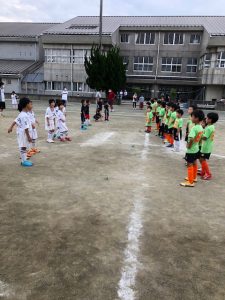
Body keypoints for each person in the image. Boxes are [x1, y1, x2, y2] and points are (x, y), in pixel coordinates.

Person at [180, 109, 205, 187]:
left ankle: (190, 182)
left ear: (196, 118)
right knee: (194, 162)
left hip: (191, 149)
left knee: (189, 164)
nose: (191, 118)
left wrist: (189, 145)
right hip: (196, 148)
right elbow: (200, 138)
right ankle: (194, 178)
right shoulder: (201, 127)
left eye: (192, 117)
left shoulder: (194, 128)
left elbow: (191, 138)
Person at [8, 97, 33, 167]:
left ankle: (24, 159)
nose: (31, 105)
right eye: (30, 104)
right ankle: (23, 161)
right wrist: (28, 137)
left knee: (24, 147)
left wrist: (10, 128)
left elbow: (15, 121)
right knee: (23, 147)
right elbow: (26, 128)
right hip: (23, 134)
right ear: (26, 105)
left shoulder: (23, 114)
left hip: (23, 133)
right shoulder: (23, 115)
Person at [199, 112, 219, 180]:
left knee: (202, 159)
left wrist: (199, 135)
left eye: (207, 118)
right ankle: (203, 172)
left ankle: (208, 174)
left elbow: (204, 137)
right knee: (202, 159)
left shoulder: (208, 128)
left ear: (210, 120)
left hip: (205, 147)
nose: (206, 119)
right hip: (208, 146)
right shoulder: (211, 126)